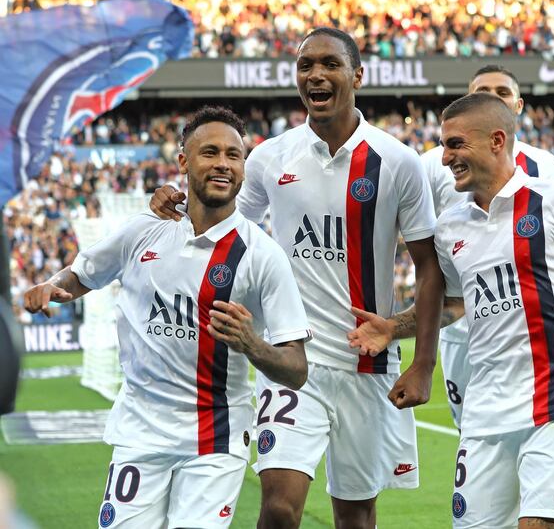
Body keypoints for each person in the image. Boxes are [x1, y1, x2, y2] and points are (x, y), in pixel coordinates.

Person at [149, 28, 443, 529]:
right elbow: (218, 222)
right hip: (292, 363)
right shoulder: (270, 157)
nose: (315, 75)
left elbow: (430, 266)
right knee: (281, 507)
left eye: (329, 64)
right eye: (306, 66)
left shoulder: (397, 162)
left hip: (366, 366)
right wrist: (172, 202)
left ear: (357, 75)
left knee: (355, 515)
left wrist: (422, 364)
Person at [350, 93, 554, 528]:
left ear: (495, 140)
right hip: (484, 411)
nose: (445, 156)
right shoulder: (451, 225)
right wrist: (394, 328)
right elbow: (453, 304)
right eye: (443, 144)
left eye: (454, 144)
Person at [24, 106, 311, 528]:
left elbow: (297, 369)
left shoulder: (262, 256)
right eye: (209, 152)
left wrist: (253, 344)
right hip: (139, 432)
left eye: (234, 155)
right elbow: (84, 274)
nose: (222, 164)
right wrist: (53, 285)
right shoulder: (145, 230)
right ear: (183, 161)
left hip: (214, 440)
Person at [420, 65, 554, 428]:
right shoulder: (432, 165)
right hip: (462, 324)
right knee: (472, 428)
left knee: (542, 424)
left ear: (517, 105)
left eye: (501, 92)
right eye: (481, 90)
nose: (491, 96)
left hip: (531, 324)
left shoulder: (544, 165)